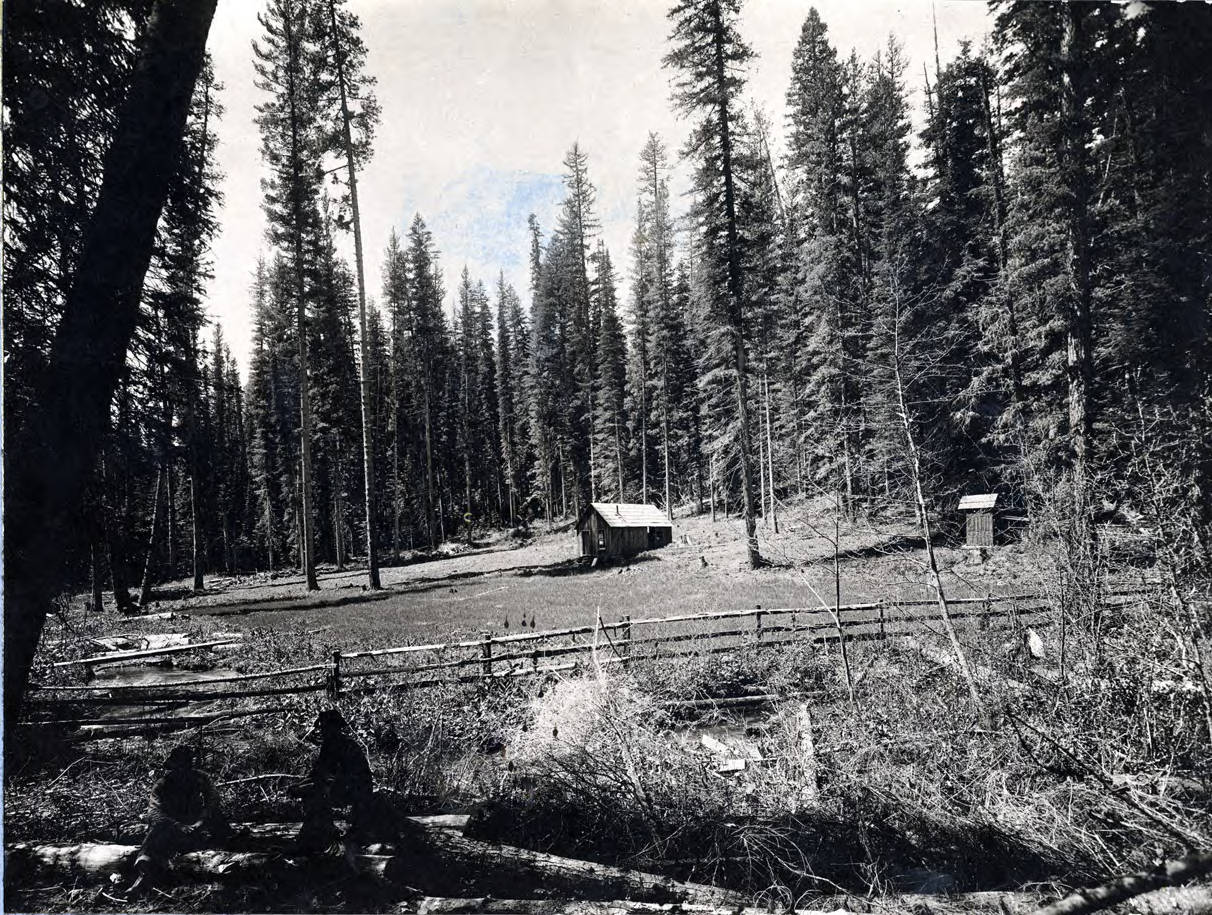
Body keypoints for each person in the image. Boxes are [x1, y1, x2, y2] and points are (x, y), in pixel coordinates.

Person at [125, 744, 231, 893]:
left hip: (198, 823)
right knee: (156, 831)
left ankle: (230, 851)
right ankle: (144, 870)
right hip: (172, 826)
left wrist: (201, 821)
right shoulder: (162, 785)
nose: (182, 770)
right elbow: (154, 813)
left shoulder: (200, 778)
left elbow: (213, 801)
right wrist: (178, 826)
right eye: (179, 766)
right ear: (173, 767)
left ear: (190, 765)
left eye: (186, 765)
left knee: (219, 818)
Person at [291, 709, 383, 852]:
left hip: (356, 789)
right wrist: (299, 786)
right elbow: (318, 772)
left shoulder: (346, 746)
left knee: (318, 794)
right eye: (322, 727)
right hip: (343, 786)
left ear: (335, 727)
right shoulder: (328, 746)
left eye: (326, 727)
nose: (323, 730)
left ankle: (320, 835)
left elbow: (350, 778)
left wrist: (314, 786)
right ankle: (321, 830)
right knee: (314, 792)